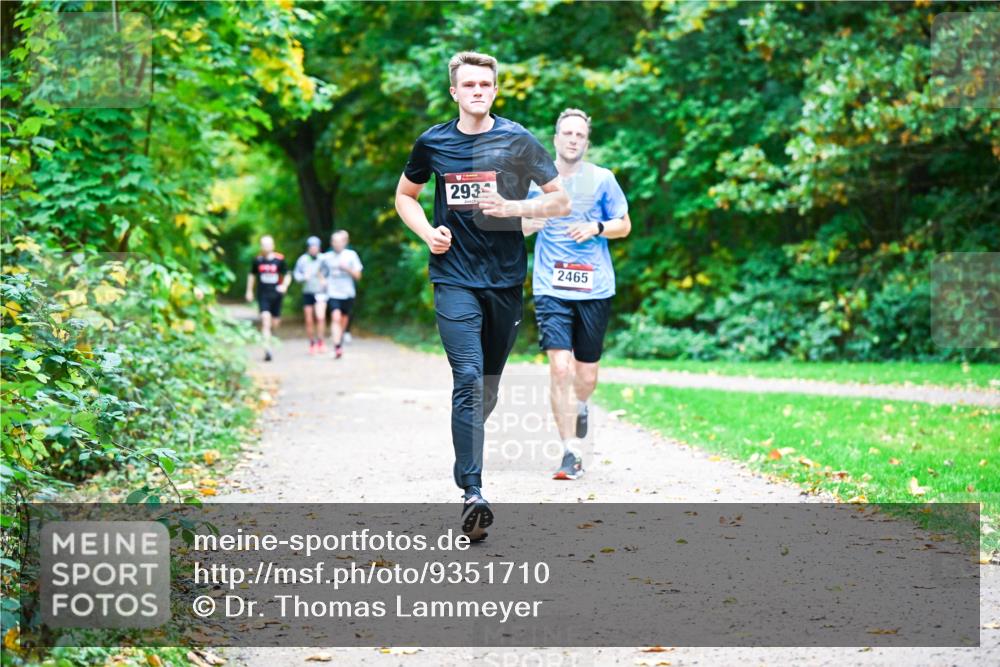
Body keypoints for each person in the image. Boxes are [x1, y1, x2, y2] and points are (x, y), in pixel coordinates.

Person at [394, 51, 571, 541]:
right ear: (454, 91)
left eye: (485, 85)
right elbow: (405, 196)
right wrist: (428, 233)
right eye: (469, 84)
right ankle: (472, 493)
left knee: (486, 387)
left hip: (505, 281)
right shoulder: (433, 142)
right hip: (453, 276)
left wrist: (512, 207)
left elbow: (560, 200)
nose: (477, 91)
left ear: (494, 90)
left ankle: (468, 431)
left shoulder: (517, 140)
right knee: (469, 378)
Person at [523, 108, 631, 480]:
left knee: (586, 376)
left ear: (586, 141)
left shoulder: (602, 179)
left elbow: (624, 225)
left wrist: (596, 227)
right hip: (550, 286)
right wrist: (528, 223)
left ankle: (581, 404)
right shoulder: (536, 180)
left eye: (579, 135)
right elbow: (514, 224)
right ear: (556, 139)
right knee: (560, 367)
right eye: (567, 133)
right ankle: (570, 452)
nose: (573, 139)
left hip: (594, 287)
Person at [245, 235, 292, 362]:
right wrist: (249, 291)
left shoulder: (279, 259)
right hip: (263, 295)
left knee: (275, 323)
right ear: (261, 246)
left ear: (273, 246)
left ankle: (271, 335)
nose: (266, 247)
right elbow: (252, 275)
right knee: (265, 320)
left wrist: (284, 285)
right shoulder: (258, 260)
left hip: (276, 295)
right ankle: (267, 349)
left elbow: (287, 274)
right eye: (264, 244)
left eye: (268, 244)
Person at [321, 229, 363, 359]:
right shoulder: (326, 257)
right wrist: (322, 280)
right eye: (334, 241)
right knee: (335, 317)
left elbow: (358, 276)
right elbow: (319, 271)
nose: (337, 244)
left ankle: (340, 339)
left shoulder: (351, 255)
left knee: (344, 319)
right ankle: (337, 345)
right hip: (333, 293)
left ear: (344, 242)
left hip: (348, 293)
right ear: (331, 243)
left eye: (339, 241)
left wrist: (347, 268)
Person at [293, 236, 327, 354]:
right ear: (308, 248)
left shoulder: (323, 259)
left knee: (320, 317)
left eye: (316, 247)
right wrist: (303, 277)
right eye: (311, 247)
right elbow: (296, 275)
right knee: (309, 320)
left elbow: (329, 273)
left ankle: (321, 342)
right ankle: (312, 343)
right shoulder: (302, 259)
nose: (313, 249)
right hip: (308, 292)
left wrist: (325, 280)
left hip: (320, 292)